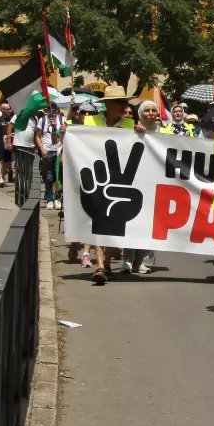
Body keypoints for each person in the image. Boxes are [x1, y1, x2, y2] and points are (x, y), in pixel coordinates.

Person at [75, 85, 136, 283]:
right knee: (98, 221)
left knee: (113, 224)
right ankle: (100, 266)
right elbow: (78, 141)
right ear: (107, 105)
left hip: (118, 180)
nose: (123, 106)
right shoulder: (90, 121)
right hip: (95, 177)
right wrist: (69, 131)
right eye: (119, 102)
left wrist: (142, 133)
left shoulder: (129, 125)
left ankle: (107, 263)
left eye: (125, 102)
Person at [125, 100, 165, 275]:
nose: (151, 113)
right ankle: (127, 259)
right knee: (131, 223)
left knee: (147, 225)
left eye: (153, 110)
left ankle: (139, 261)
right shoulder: (131, 130)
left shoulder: (164, 133)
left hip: (154, 184)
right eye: (147, 110)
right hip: (134, 183)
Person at [0, 101, 14, 187]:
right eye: (8, 109)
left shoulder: (11, 120)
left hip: (8, 143)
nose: (9, 110)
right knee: (1, 161)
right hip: (0, 142)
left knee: (7, 162)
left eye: (10, 109)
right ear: (3, 110)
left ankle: (6, 174)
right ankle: (1, 178)